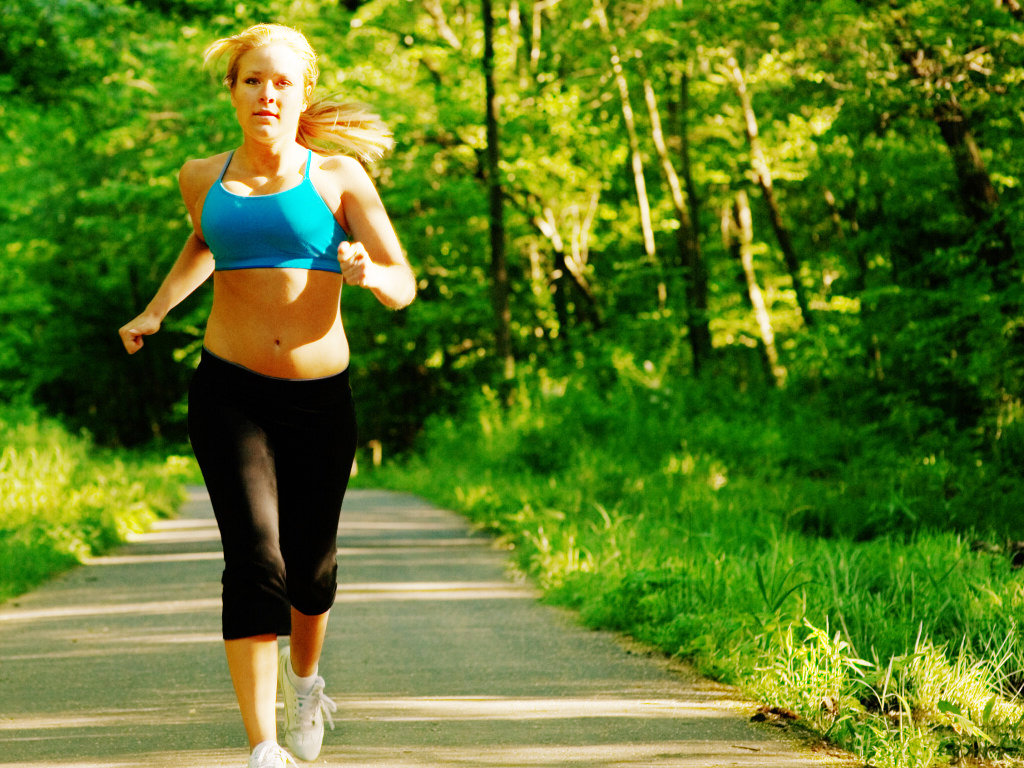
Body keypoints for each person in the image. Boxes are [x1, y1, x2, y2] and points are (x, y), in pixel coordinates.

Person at [118, 23, 416, 768]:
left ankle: (305, 682)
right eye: (253, 79)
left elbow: (403, 283)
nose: (267, 94)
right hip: (229, 394)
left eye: (282, 82)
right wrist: (157, 310)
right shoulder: (200, 176)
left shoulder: (339, 178)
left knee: (311, 571)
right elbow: (209, 238)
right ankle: (263, 746)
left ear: (302, 93)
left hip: (321, 399)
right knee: (255, 559)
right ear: (232, 91)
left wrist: (369, 275)